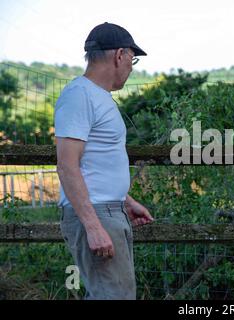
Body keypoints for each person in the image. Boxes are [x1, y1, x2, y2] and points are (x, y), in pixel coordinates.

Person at [54, 22, 154, 300]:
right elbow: (67, 165)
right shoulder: (80, 96)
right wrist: (94, 226)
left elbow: (94, 165)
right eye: (132, 59)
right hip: (97, 215)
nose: (132, 67)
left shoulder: (98, 97)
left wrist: (124, 200)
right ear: (119, 55)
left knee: (111, 295)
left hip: (107, 211)